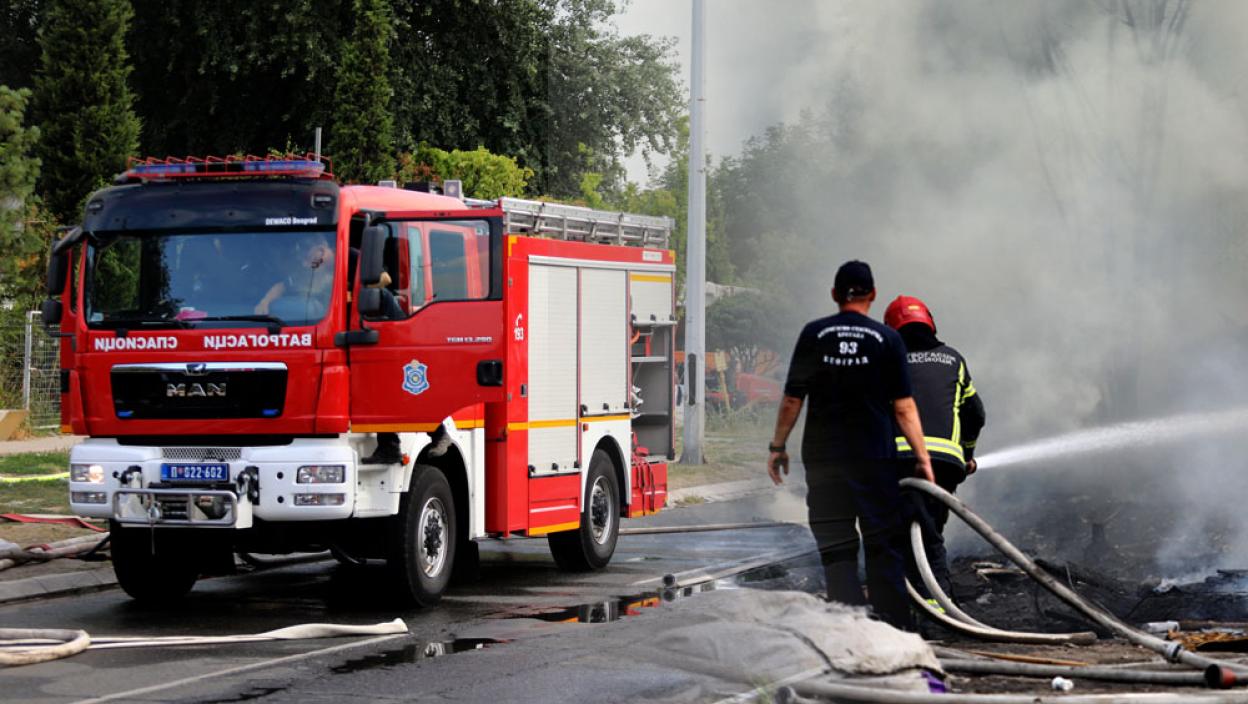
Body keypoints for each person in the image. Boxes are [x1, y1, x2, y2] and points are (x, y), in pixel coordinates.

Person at [767, 260, 933, 631]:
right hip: (874, 459)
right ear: (873, 295)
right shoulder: (887, 339)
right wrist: (922, 459)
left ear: (834, 294)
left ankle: (845, 627)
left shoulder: (814, 334)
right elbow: (904, 406)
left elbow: (792, 399)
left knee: (836, 544)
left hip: (823, 459)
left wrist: (777, 446)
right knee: (881, 543)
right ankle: (892, 630)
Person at [884, 295, 986, 599]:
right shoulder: (953, 359)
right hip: (945, 463)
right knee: (929, 530)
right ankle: (929, 600)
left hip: (898, 462)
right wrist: (966, 455)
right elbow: (976, 414)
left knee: (904, 535)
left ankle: (929, 604)